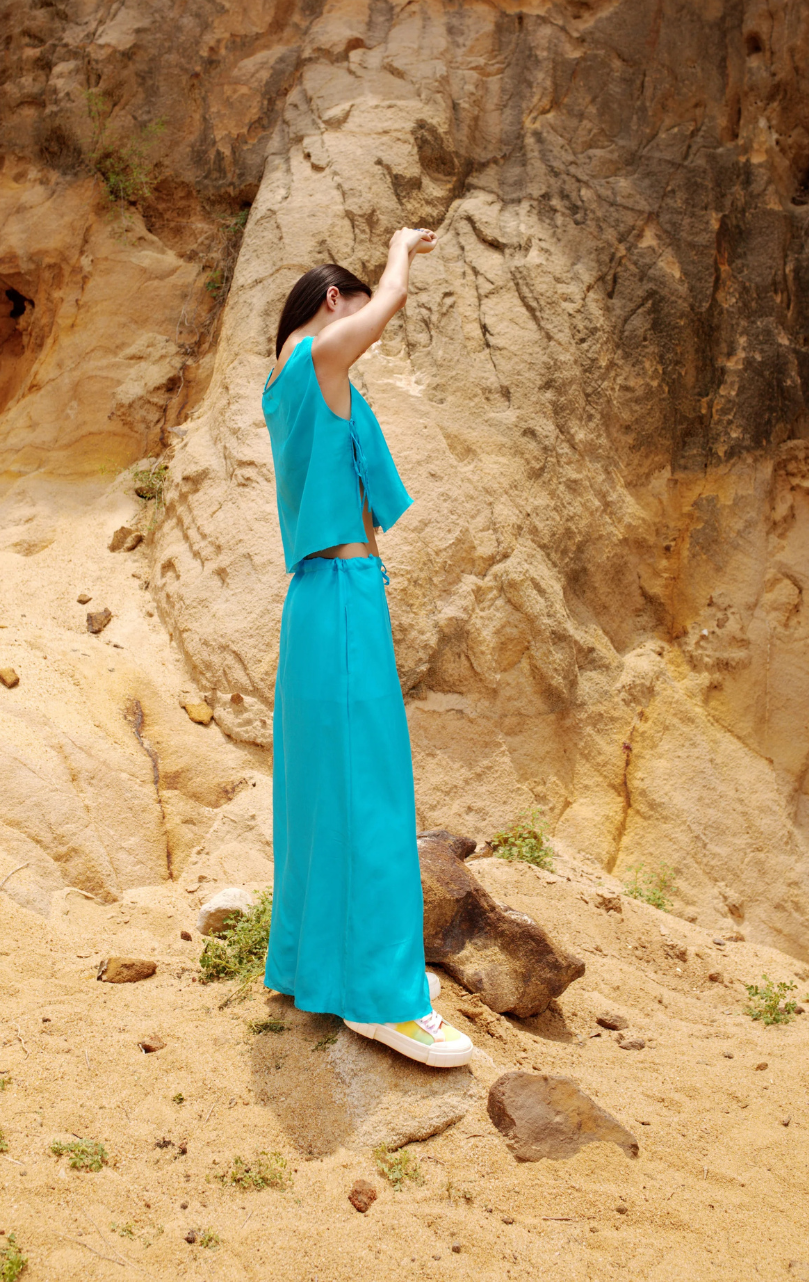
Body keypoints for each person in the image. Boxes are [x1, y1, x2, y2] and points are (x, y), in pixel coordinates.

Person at [260, 227, 473, 1069]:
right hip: (345, 599)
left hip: (313, 601)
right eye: (347, 308)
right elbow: (390, 303)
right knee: (375, 797)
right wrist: (398, 250)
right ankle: (384, 1001)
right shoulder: (317, 358)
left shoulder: (282, 385)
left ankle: (307, 969)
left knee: (318, 795)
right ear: (331, 302)